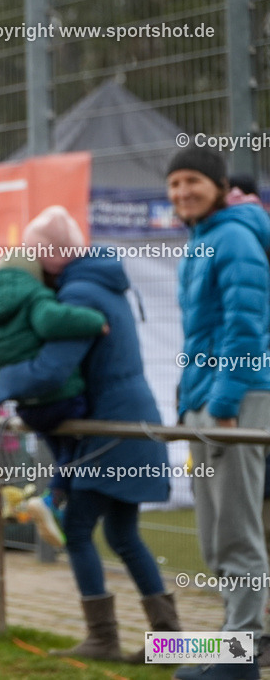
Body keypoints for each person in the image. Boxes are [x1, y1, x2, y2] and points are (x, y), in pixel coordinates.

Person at [0, 205, 178, 664]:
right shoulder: (102, 279)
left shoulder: (78, 292)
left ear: (53, 255)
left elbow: (53, 371)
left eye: (35, 256)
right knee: (123, 534)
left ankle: (104, 638)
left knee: (77, 530)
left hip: (111, 429)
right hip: (131, 421)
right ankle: (169, 640)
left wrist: (0, 381)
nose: (31, 268)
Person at [166, 146, 270, 680]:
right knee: (214, 531)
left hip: (235, 402)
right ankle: (233, 646)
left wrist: (225, 403)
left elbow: (246, 324)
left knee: (236, 530)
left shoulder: (232, 236)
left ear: (219, 184)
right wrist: (190, 402)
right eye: (176, 182)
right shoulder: (204, 239)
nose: (183, 191)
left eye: (193, 181)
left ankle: (244, 652)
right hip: (206, 402)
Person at [0, 244, 109, 547]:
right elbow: (52, 321)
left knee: (62, 453)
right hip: (63, 400)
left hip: (27, 408)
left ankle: (48, 502)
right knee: (77, 450)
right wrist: (95, 321)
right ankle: (52, 500)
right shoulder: (34, 296)